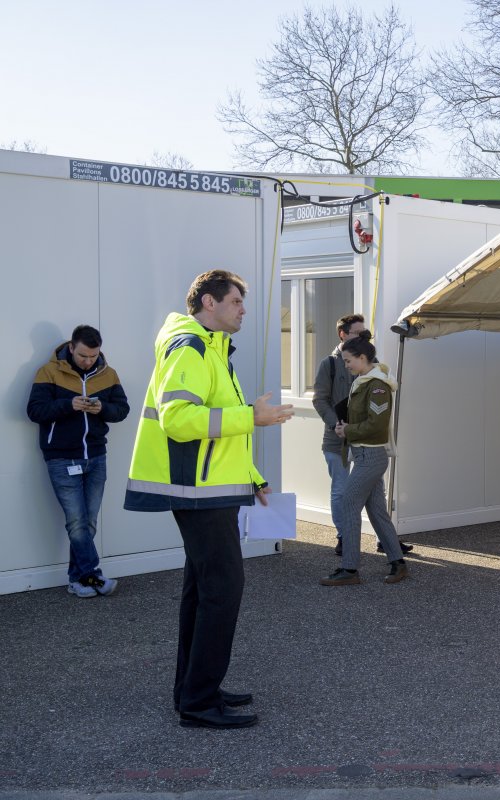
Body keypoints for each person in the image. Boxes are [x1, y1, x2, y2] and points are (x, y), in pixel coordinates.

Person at [124, 269, 294, 730]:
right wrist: (250, 416)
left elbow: (223, 439)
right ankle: (199, 702)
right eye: (236, 301)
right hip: (198, 494)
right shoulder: (191, 347)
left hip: (209, 492)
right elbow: (178, 420)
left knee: (202, 593)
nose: (243, 310)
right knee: (222, 592)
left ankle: (193, 690)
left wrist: (254, 477)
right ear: (208, 303)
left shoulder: (213, 350)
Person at [27, 324, 130, 598]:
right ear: (71, 348)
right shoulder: (48, 372)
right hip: (61, 458)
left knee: (89, 522)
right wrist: (68, 404)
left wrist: (102, 409)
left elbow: (122, 410)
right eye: (83, 355)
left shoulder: (108, 374)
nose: (88, 361)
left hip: (96, 457)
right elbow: (34, 411)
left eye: (93, 356)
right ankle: (93, 576)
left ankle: (76, 580)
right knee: (77, 522)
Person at [312, 314, 414, 558]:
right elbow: (319, 399)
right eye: (358, 333)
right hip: (337, 440)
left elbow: (377, 412)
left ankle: (383, 543)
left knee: (374, 496)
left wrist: (351, 428)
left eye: (364, 333)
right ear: (343, 334)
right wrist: (337, 424)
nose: (364, 337)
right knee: (341, 491)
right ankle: (345, 539)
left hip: (365, 444)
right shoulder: (329, 364)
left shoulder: (372, 366)